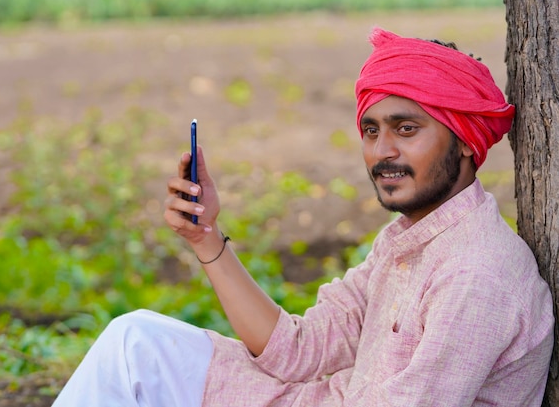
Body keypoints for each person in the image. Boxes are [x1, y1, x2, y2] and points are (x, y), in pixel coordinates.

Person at [51, 28, 554, 407]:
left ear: (466, 138)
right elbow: (300, 350)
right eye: (372, 131)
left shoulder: (478, 275)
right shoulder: (405, 242)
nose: (383, 151)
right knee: (135, 342)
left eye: (406, 129)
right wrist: (206, 240)